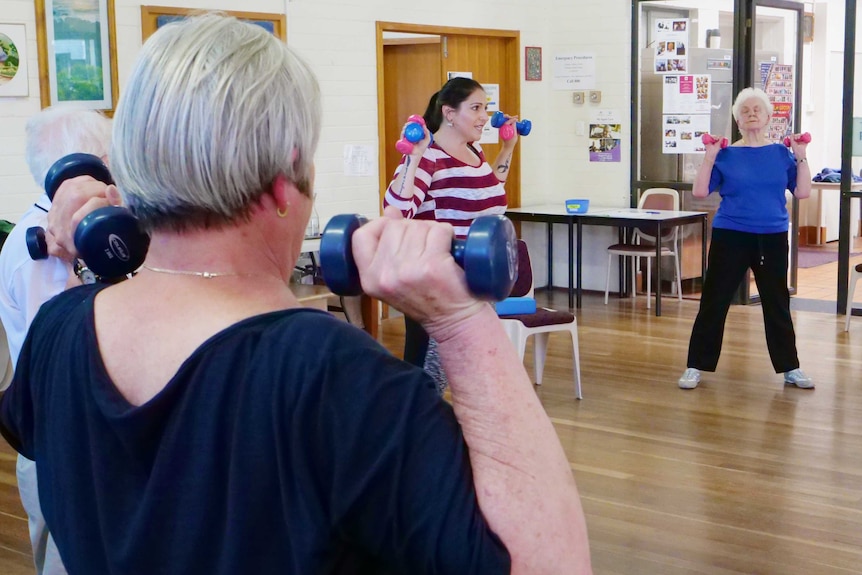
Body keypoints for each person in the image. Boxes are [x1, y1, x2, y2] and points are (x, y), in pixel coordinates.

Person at [0, 14, 592, 574]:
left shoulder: (57, 331)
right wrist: (463, 324)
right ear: (286, 181)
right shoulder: (341, 380)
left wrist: (97, 257)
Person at [0, 105, 112, 575]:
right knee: (67, 556)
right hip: (60, 434)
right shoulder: (43, 248)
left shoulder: (85, 233)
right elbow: (70, 349)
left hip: (81, 432)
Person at [383, 77, 521, 379]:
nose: (484, 116)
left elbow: (489, 191)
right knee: (429, 380)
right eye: (475, 108)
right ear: (449, 113)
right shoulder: (429, 157)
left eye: (485, 107)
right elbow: (396, 210)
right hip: (437, 284)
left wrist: (508, 147)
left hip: (475, 282)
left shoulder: (476, 153)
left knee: (476, 378)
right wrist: (414, 157)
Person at [678, 87, 813, 390]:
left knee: (776, 302)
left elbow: (802, 192)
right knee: (714, 300)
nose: (751, 114)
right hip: (731, 235)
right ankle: (696, 365)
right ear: (738, 120)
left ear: (768, 118)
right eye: (745, 111)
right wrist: (710, 157)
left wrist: (801, 156)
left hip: (772, 236)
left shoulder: (781, 153)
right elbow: (700, 192)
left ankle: (790, 367)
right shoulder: (726, 155)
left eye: (757, 110)